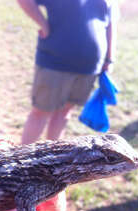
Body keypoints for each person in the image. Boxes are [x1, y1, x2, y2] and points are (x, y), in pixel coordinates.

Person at [17, 0, 119, 143]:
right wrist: (43, 24)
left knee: (65, 112)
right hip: (55, 61)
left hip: (90, 66)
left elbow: (111, 22)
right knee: (41, 112)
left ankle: (53, 157)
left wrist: (109, 58)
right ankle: (22, 161)